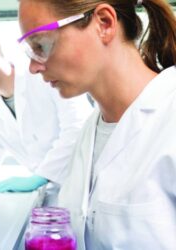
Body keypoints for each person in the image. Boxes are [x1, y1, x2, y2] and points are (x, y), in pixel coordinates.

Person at [18, 0, 176, 249]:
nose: (34, 67)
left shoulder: (170, 116)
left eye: (41, 45)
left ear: (104, 23)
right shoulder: (89, 135)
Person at [0, 32, 92, 197]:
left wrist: (42, 176)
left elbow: (79, 127)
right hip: (48, 197)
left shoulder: (41, 74)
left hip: (85, 186)